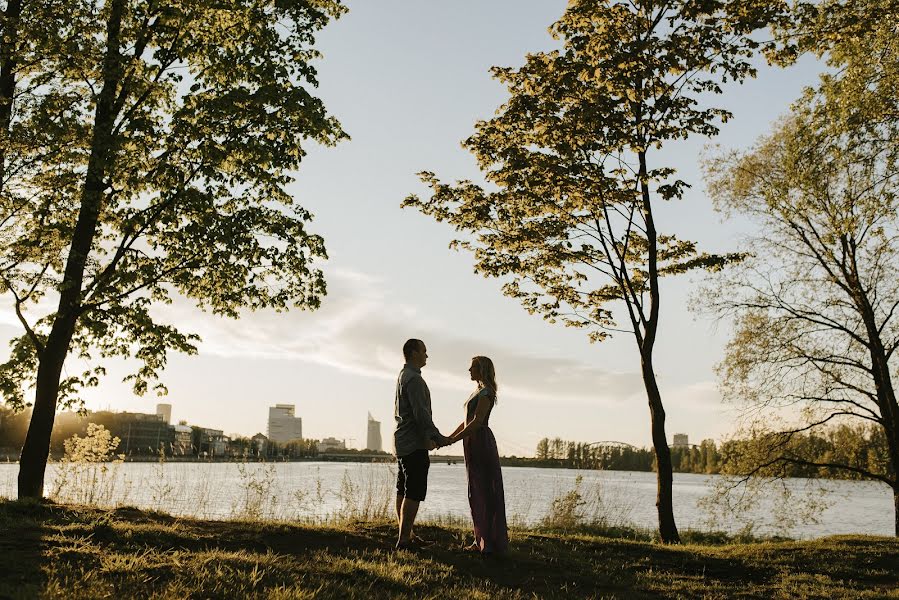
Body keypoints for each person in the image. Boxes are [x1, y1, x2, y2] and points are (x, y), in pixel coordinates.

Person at [447, 355, 509, 555]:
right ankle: (481, 539)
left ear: (481, 369)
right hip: (472, 441)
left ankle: (487, 543)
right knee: (476, 489)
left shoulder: (486, 392)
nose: (469, 370)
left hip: (480, 441)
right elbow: (467, 422)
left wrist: (452, 440)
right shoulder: (478, 391)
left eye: (472, 367)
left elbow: (477, 421)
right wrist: (449, 437)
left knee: (483, 490)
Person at [394, 338, 450, 551]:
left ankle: (407, 535)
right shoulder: (415, 380)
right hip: (413, 443)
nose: (427, 355)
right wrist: (437, 437)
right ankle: (404, 541)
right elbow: (421, 414)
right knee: (414, 491)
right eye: (424, 351)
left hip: (402, 441)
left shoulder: (403, 375)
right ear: (413, 353)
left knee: (403, 488)